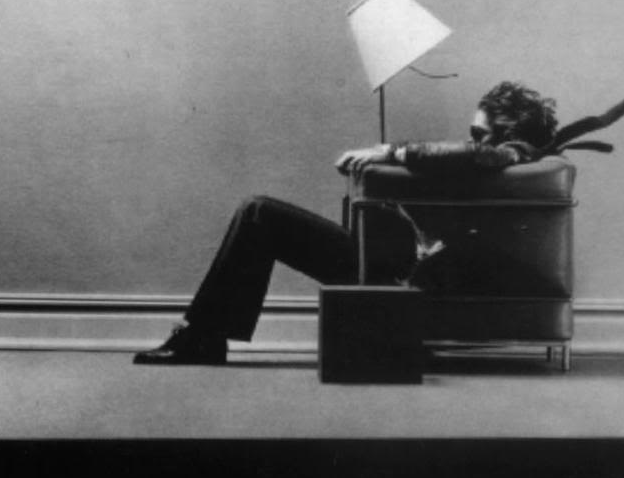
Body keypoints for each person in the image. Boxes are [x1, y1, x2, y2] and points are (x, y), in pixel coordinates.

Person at [132, 81, 560, 365]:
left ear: (509, 133)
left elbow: (479, 155)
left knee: (259, 214)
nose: (472, 140)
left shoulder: (515, 153)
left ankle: (202, 337)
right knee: (258, 212)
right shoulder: (510, 160)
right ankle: (203, 335)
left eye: (479, 133)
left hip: (399, 280)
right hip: (400, 267)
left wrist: (391, 153)